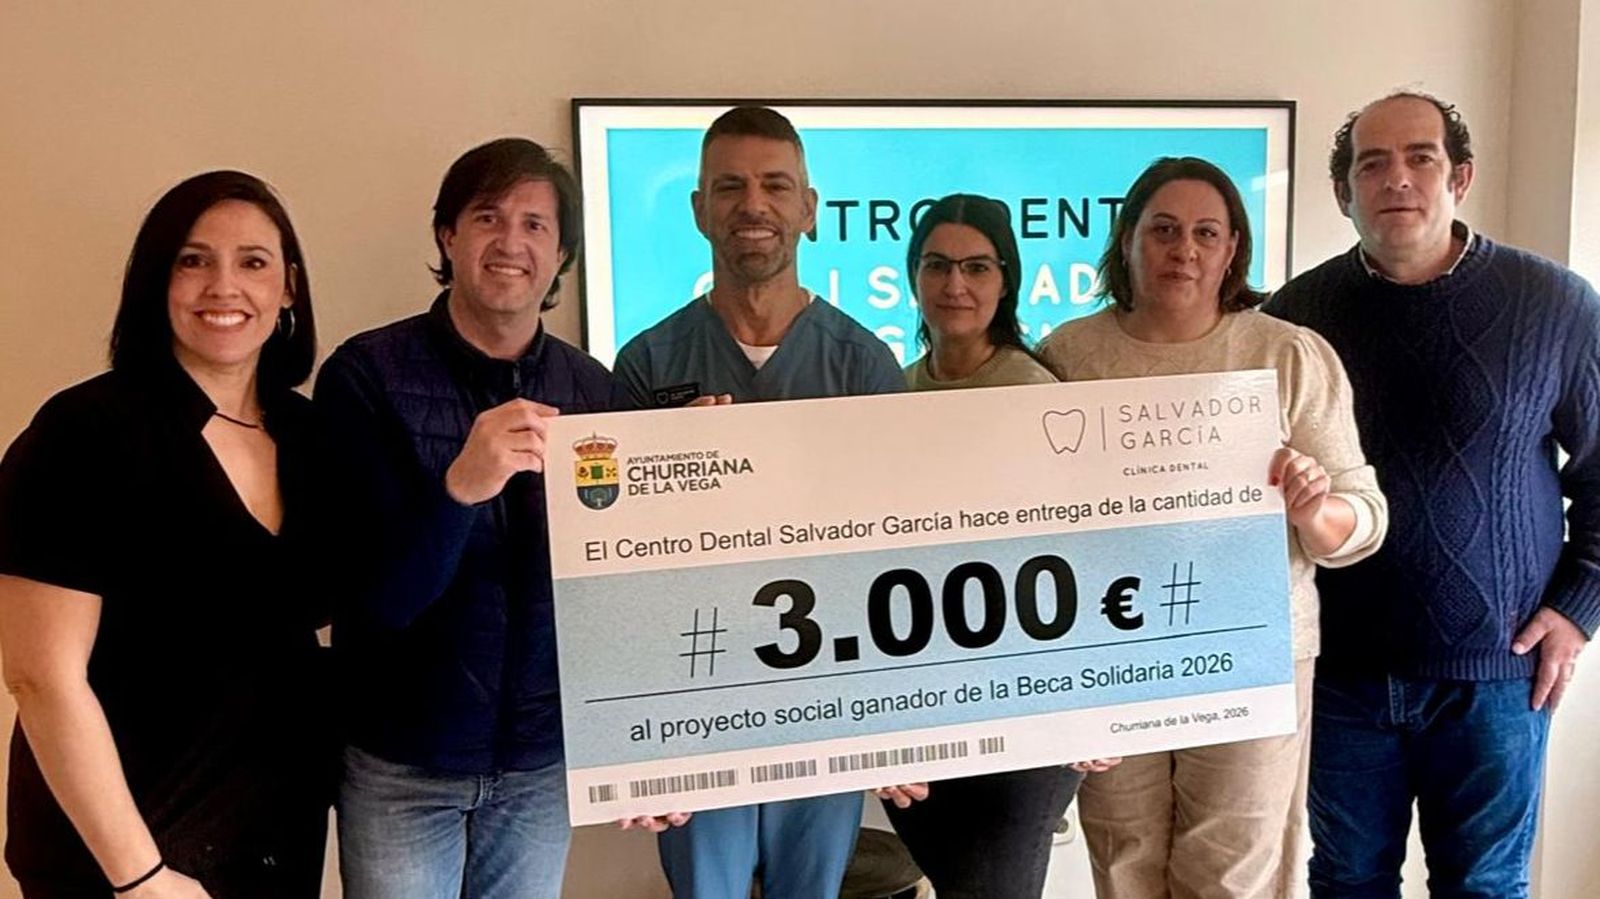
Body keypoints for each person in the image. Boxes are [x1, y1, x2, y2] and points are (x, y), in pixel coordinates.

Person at [1264, 92, 1600, 898]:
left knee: (1484, 884)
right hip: (1339, 672)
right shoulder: (1295, 320)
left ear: (1462, 176)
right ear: (1344, 193)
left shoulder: (1554, 305)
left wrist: (1577, 607)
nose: (1397, 179)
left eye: (1421, 157)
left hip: (1498, 674)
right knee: (1347, 880)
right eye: (1371, 164)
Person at [1037, 156, 1389, 899]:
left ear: (1233, 249)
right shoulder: (1068, 356)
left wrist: (1313, 504)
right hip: (1112, 652)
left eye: (1206, 232)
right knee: (1125, 857)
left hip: (1252, 655)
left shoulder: (1287, 354)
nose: (1183, 249)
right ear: (1127, 239)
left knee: (1234, 868)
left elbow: (1361, 522)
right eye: (1163, 230)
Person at [0, 171, 332, 897]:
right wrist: (141, 876)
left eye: (252, 261)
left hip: (273, 845)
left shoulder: (312, 437)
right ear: (156, 281)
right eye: (192, 259)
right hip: (114, 860)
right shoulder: (83, 433)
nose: (224, 285)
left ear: (289, 290)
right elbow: (40, 674)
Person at [611, 105, 908, 899]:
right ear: (700, 208)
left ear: (809, 209)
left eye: (777, 185)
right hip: (697, 695)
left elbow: (901, 551)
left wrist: (898, 724)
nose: (754, 205)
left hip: (828, 690)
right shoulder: (646, 363)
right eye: (730, 186)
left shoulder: (865, 365)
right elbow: (614, 562)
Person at [315, 138, 611, 899]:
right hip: (402, 767)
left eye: (536, 225)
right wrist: (459, 490)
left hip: (540, 769)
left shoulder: (594, 392)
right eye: (488, 217)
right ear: (448, 236)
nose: (511, 242)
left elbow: (625, 591)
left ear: (563, 255)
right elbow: (373, 596)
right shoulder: (364, 376)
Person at [881, 192, 1078, 898]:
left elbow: (1077, 564)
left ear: (1006, 278)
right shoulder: (889, 396)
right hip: (916, 706)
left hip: (1025, 709)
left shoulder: (1039, 395)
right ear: (913, 275)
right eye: (936, 265)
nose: (954, 285)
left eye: (975, 266)